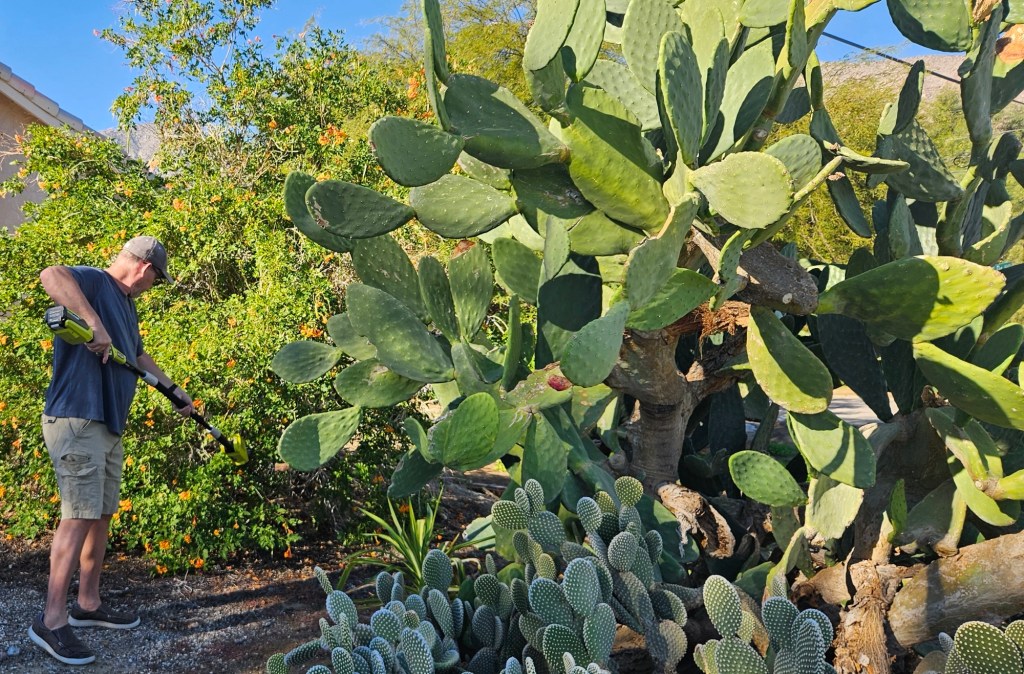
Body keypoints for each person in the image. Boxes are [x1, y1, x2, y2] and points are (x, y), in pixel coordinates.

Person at [29, 235, 194, 666]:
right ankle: (51, 620)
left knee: (100, 513)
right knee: (78, 514)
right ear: (145, 268)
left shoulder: (126, 306)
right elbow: (51, 275)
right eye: (157, 279)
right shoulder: (95, 283)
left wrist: (175, 390)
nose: (153, 287)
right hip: (78, 417)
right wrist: (93, 323)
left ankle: (87, 603)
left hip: (107, 423)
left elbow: (136, 355)